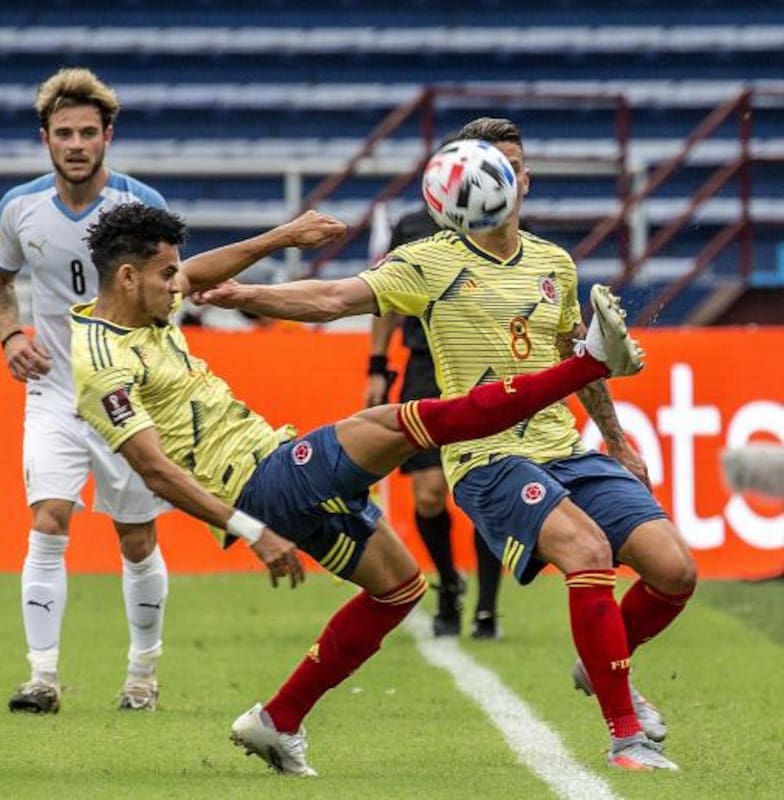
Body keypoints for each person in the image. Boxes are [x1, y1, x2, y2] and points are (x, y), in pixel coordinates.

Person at [71, 202, 645, 776]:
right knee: (409, 422)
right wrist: (251, 531)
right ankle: (591, 363)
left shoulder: (146, 299)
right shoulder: (102, 362)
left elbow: (201, 271)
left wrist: (285, 234)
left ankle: (278, 720)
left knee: (398, 587)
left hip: (271, 469)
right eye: (169, 274)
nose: (181, 284)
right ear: (128, 277)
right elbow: (154, 470)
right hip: (259, 486)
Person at [196, 118, 697, 772]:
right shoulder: (430, 260)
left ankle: (603, 658)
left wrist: (615, 438)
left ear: (524, 180)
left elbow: (575, 355)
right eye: (487, 167)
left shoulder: (554, 262)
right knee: (587, 551)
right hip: (487, 455)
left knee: (675, 572)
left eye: (510, 167)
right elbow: (333, 297)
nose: (499, 179)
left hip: (565, 449)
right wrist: (249, 294)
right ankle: (627, 737)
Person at [0, 67, 179, 713]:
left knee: (136, 537)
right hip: (54, 390)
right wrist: (10, 336)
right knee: (49, 518)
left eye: (87, 133)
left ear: (107, 136)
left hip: (126, 396)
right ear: (45, 138)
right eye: (63, 133)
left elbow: (173, 289)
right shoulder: (20, 207)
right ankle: (41, 677)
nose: (75, 144)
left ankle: (142, 674)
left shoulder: (140, 207)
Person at [366, 206, 504, 639]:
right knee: (428, 493)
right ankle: (449, 582)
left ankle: (487, 606)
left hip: (486, 366)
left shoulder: (506, 223)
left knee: (488, 488)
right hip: (426, 366)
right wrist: (376, 364)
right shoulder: (412, 227)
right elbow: (386, 296)